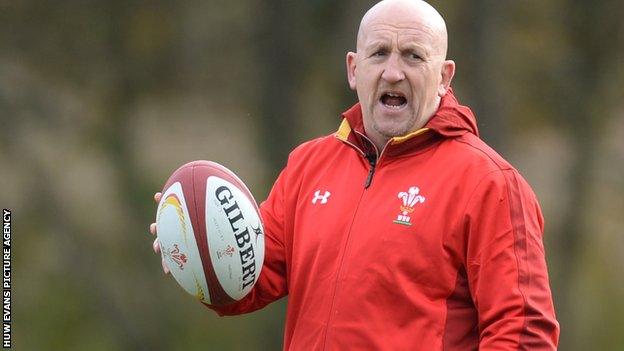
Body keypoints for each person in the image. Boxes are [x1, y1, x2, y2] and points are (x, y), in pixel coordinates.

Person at [149, 0, 560, 349]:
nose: (393, 72)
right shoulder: (309, 165)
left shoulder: (489, 184)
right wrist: (197, 250)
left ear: (444, 77)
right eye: (379, 53)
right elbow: (249, 279)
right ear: (353, 68)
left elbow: (525, 334)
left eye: (413, 56)